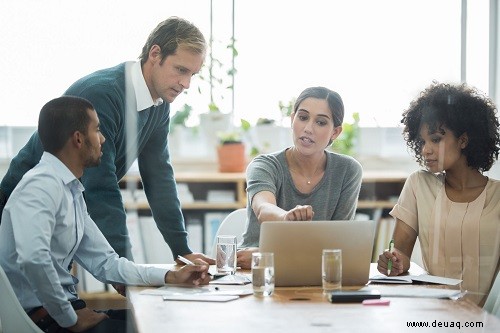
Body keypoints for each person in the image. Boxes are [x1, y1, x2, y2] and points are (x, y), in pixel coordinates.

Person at [0, 17, 214, 265]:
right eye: (181, 70)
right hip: (24, 211)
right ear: (155, 53)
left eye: (192, 74)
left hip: (65, 211)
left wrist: (182, 251)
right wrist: (126, 267)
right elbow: (100, 185)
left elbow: (159, 177)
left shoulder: (159, 105)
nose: (186, 84)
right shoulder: (103, 94)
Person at [0, 96, 210, 333]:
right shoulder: (40, 187)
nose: (103, 138)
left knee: (166, 317)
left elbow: (106, 263)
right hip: (46, 321)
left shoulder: (71, 190)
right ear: (78, 139)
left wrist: (172, 276)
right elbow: (33, 258)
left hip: (65, 312)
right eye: (97, 130)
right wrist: (70, 319)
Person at [377, 82, 500, 305]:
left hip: (485, 321)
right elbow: (401, 254)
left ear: (463, 140)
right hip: (433, 314)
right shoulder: (418, 185)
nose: (425, 150)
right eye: (422, 141)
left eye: (436, 139)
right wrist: (393, 261)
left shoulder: (498, 196)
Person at [237, 86, 363, 269]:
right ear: (292, 119)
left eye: (320, 122)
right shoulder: (264, 165)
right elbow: (264, 209)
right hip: (256, 268)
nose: (308, 129)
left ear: (335, 132)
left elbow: (338, 244)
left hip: (311, 269)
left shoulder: (348, 171)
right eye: (303, 118)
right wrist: (286, 218)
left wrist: (271, 255)